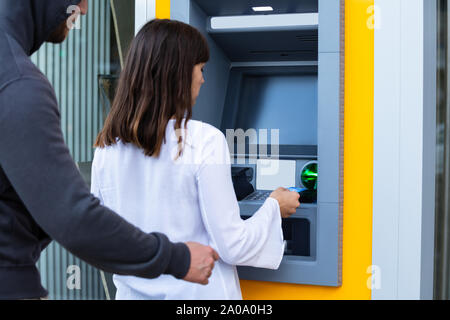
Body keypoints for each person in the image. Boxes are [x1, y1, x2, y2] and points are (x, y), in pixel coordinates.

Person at [0, 0, 219, 300]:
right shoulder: (18, 84)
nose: (85, 9)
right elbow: (73, 219)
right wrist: (177, 258)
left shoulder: (107, 143)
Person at [92, 19, 301, 300]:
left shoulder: (107, 147)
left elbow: (104, 244)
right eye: (200, 69)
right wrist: (274, 206)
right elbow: (233, 246)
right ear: (177, 73)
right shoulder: (204, 140)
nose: (203, 79)